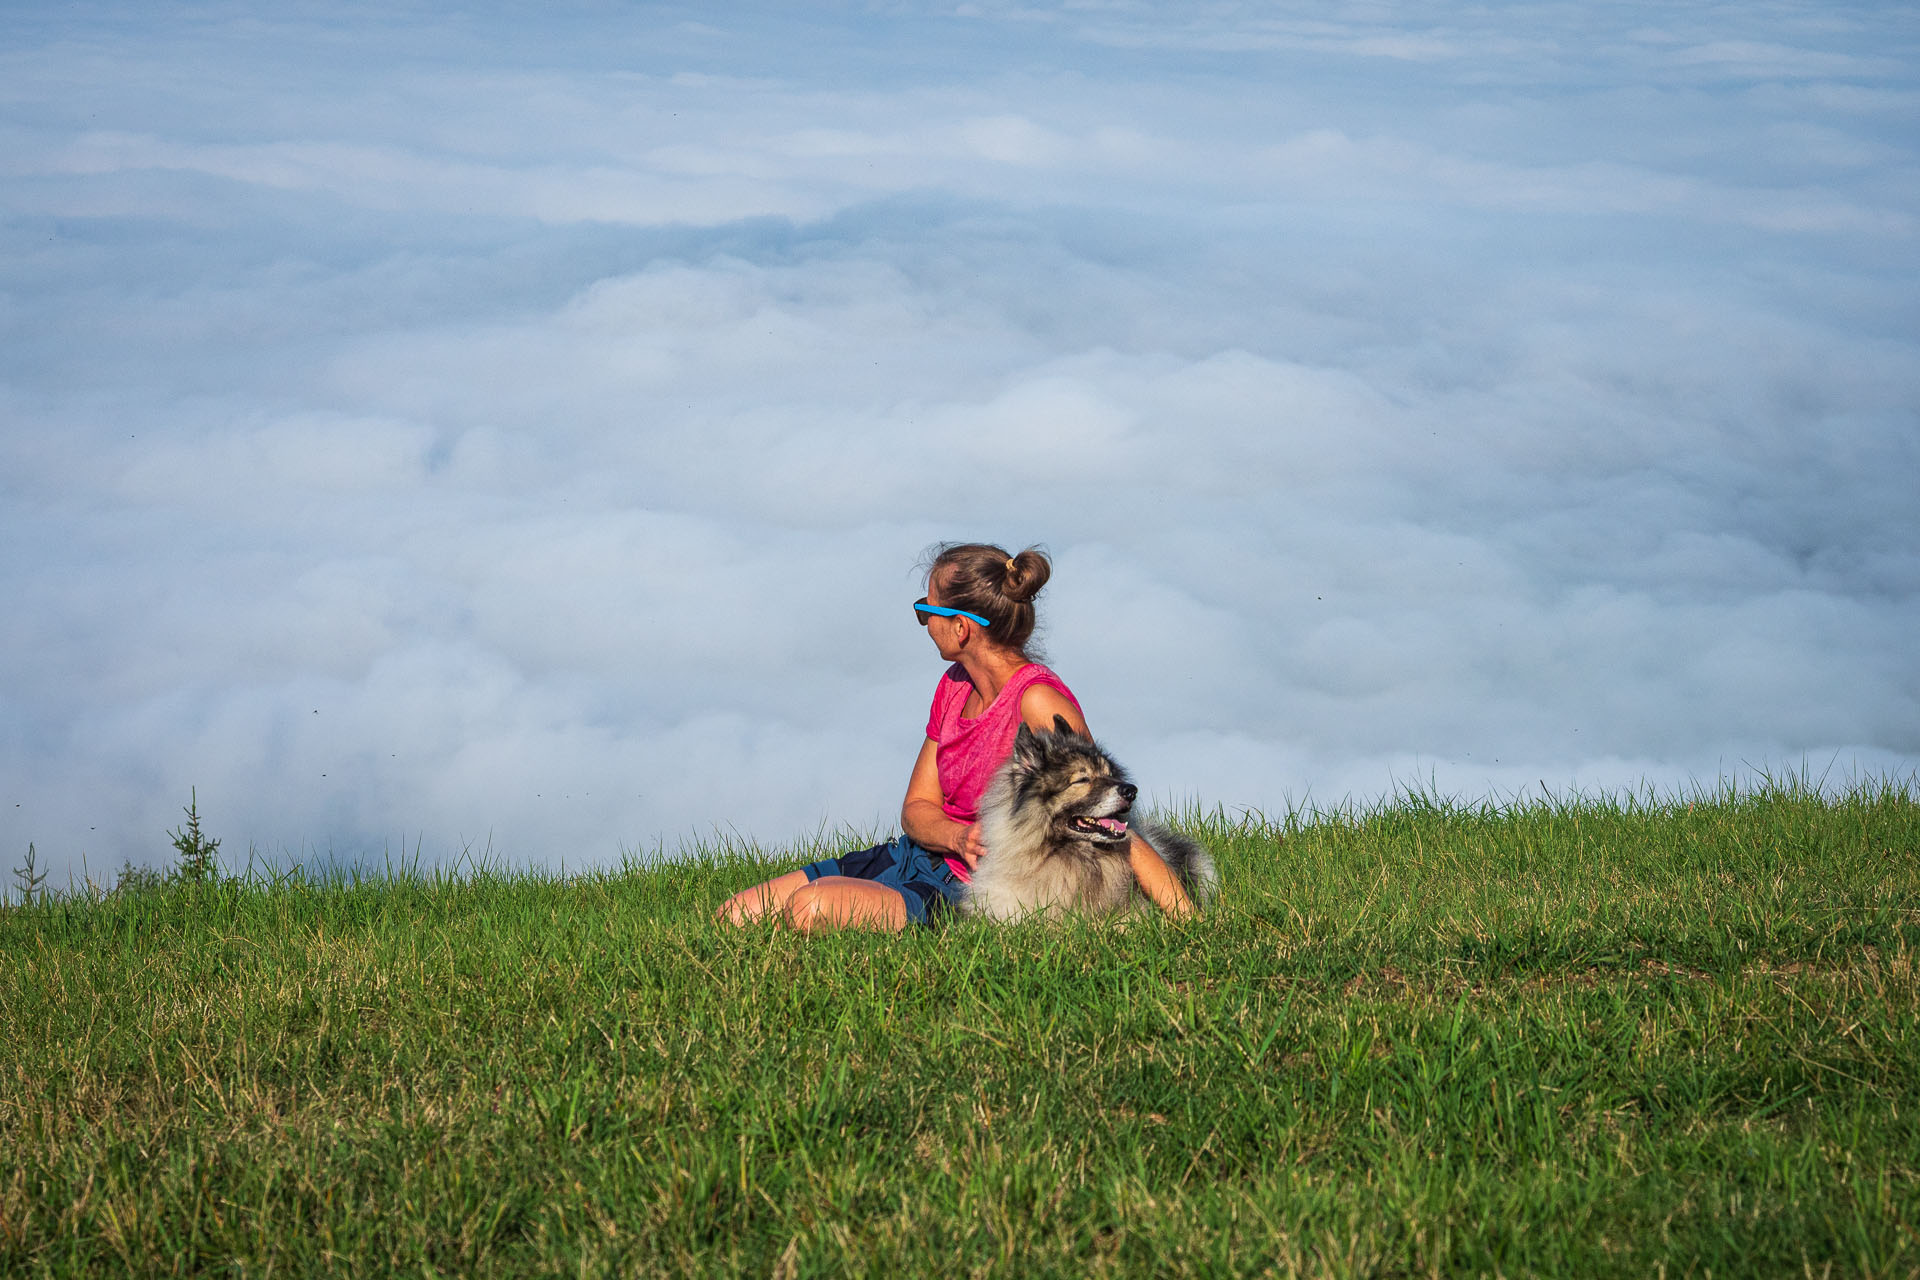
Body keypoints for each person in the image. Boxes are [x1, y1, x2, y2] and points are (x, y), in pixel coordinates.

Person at [715, 542, 1196, 933]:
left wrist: (1187, 921)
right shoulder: (953, 688)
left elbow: (1104, 817)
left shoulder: (1039, 703)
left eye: (926, 611)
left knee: (811, 910)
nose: (924, 623)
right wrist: (956, 835)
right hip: (914, 857)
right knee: (734, 917)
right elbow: (917, 809)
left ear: (961, 628)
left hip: (964, 888)